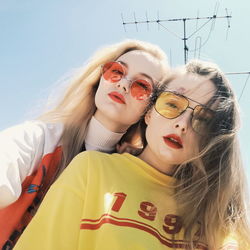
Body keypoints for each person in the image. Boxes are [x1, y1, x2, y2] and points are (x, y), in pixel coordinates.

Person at [13, 60, 250, 250]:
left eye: (202, 119)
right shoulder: (92, 169)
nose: (182, 124)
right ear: (149, 114)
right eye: (172, 104)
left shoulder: (216, 212)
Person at [0, 39, 168, 249]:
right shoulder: (41, 139)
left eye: (142, 85)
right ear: (100, 79)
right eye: (116, 71)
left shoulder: (137, 177)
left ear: (150, 111)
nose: (123, 84)